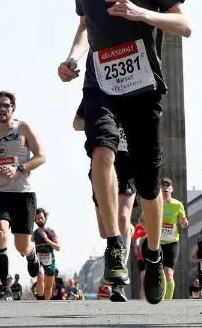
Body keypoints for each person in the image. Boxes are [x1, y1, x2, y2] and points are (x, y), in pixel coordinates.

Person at [56, 0, 192, 305]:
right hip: (100, 82)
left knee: (149, 185)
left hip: (142, 86)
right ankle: (115, 244)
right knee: (101, 151)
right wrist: (72, 58)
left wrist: (141, 14)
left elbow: (185, 24)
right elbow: (86, 27)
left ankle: (152, 254)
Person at [0, 91, 46, 299]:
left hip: (23, 193)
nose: (2, 109)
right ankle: (4, 286)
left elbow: (41, 156)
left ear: (13, 108)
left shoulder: (23, 128)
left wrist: (19, 168)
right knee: (0, 233)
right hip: (0, 193)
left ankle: (31, 254)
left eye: (6, 105)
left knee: (21, 246)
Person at [72, 105, 136, 301]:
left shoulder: (136, 91)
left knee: (122, 218)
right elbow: (76, 124)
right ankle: (125, 233)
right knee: (105, 230)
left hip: (128, 162)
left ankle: (117, 282)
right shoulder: (97, 92)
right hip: (102, 163)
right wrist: (103, 123)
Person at [157, 178, 188, 299]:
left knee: (169, 273)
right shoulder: (155, 203)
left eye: (167, 186)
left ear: (171, 189)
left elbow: (183, 221)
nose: (165, 188)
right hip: (157, 243)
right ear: (159, 189)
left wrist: (184, 223)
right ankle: (158, 296)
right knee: (158, 274)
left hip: (172, 243)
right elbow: (142, 220)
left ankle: (168, 302)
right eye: (162, 186)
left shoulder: (177, 205)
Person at [30, 208, 60, 302]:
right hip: (39, 262)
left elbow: (58, 247)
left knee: (48, 287)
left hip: (50, 262)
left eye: (41, 218)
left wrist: (47, 240)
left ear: (45, 218)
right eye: (37, 218)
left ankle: (45, 303)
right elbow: (27, 242)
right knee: (40, 275)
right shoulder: (34, 233)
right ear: (35, 220)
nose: (40, 220)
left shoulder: (51, 232)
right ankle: (40, 299)